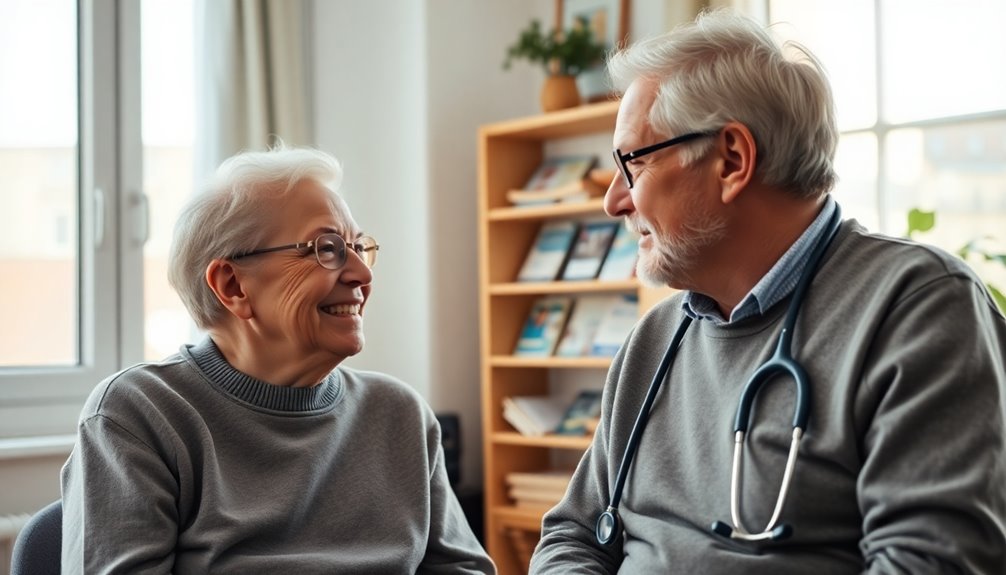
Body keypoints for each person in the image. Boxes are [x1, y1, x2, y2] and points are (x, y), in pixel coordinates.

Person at [530, 10, 1006, 574]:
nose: (614, 200)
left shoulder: (919, 308)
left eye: (633, 162)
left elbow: (932, 563)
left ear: (731, 159)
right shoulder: (655, 340)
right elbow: (573, 535)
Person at [61, 146, 496, 574]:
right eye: (327, 248)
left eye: (359, 248)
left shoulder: (399, 414)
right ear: (232, 285)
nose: (363, 275)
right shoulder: (139, 414)